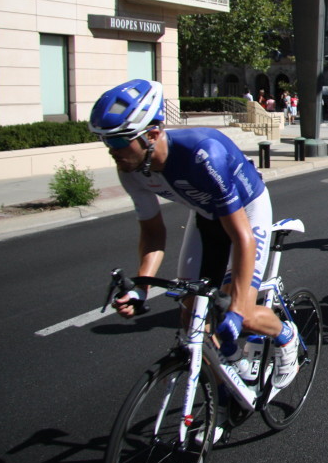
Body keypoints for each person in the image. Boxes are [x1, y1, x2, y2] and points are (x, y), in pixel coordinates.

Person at [91, 80, 300, 397]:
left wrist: (236, 310)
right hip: (206, 216)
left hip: (248, 211)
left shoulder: (202, 154)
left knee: (237, 312)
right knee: (191, 319)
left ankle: (286, 337)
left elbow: (242, 237)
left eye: (120, 139)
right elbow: (152, 233)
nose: (112, 150)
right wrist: (141, 288)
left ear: (153, 133)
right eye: (107, 141)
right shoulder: (131, 167)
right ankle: (221, 399)